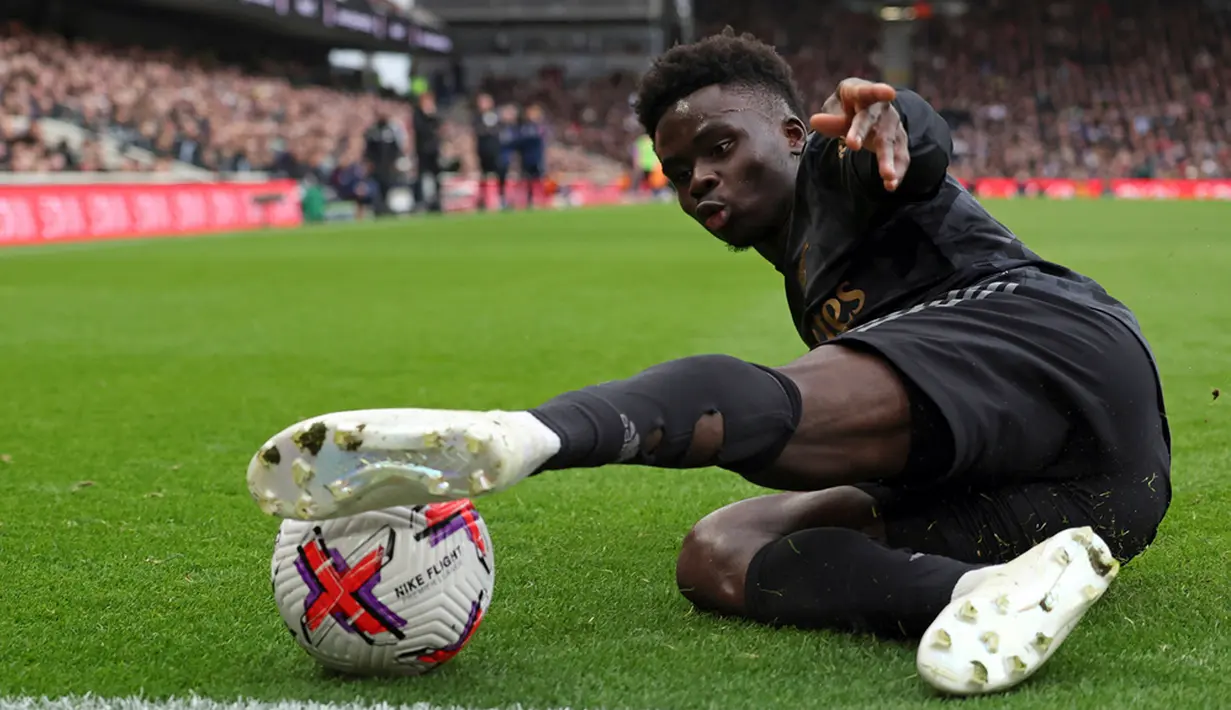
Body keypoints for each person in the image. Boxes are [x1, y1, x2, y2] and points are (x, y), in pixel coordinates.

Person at [246, 29, 1170, 696]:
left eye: (720, 148)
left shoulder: (843, 174)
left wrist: (896, 121)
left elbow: (908, 144)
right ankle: (991, 590)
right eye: (679, 171)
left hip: (1056, 348)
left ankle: (520, 437)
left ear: (796, 135)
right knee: (719, 554)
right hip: (1094, 504)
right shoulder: (805, 278)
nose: (700, 181)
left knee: (761, 403)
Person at [363, 109, 406, 216]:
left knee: (388, 186)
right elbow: (368, 149)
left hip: (388, 165)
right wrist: (369, 161)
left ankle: (386, 207)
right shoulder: (373, 131)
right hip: (377, 165)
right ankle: (378, 207)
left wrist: (395, 161)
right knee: (377, 186)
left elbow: (396, 148)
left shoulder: (391, 130)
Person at [474, 93, 507, 211]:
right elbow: (479, 131)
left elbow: (500, 130)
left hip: (495, 151)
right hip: (483, 151)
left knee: (500, 173)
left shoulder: (495, 116)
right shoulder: (477, 117)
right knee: (484, 175)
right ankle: (482, 199)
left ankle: (502, 198)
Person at [412, 92, 443, 213]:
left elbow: (438, 128)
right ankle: (420, 202)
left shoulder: (435, 117)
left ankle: (436, 202)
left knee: (436, 177)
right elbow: (422, 130)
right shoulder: (418, 116)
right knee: (421, 177)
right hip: (422, 152)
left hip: (434, 152)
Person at [517, 104, 548, 209]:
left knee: (539, 179)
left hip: (537, 157)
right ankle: (530, 200)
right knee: (528, 180)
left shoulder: (540, 127)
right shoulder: (523, 128)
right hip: (526, 158)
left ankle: (541, 199)